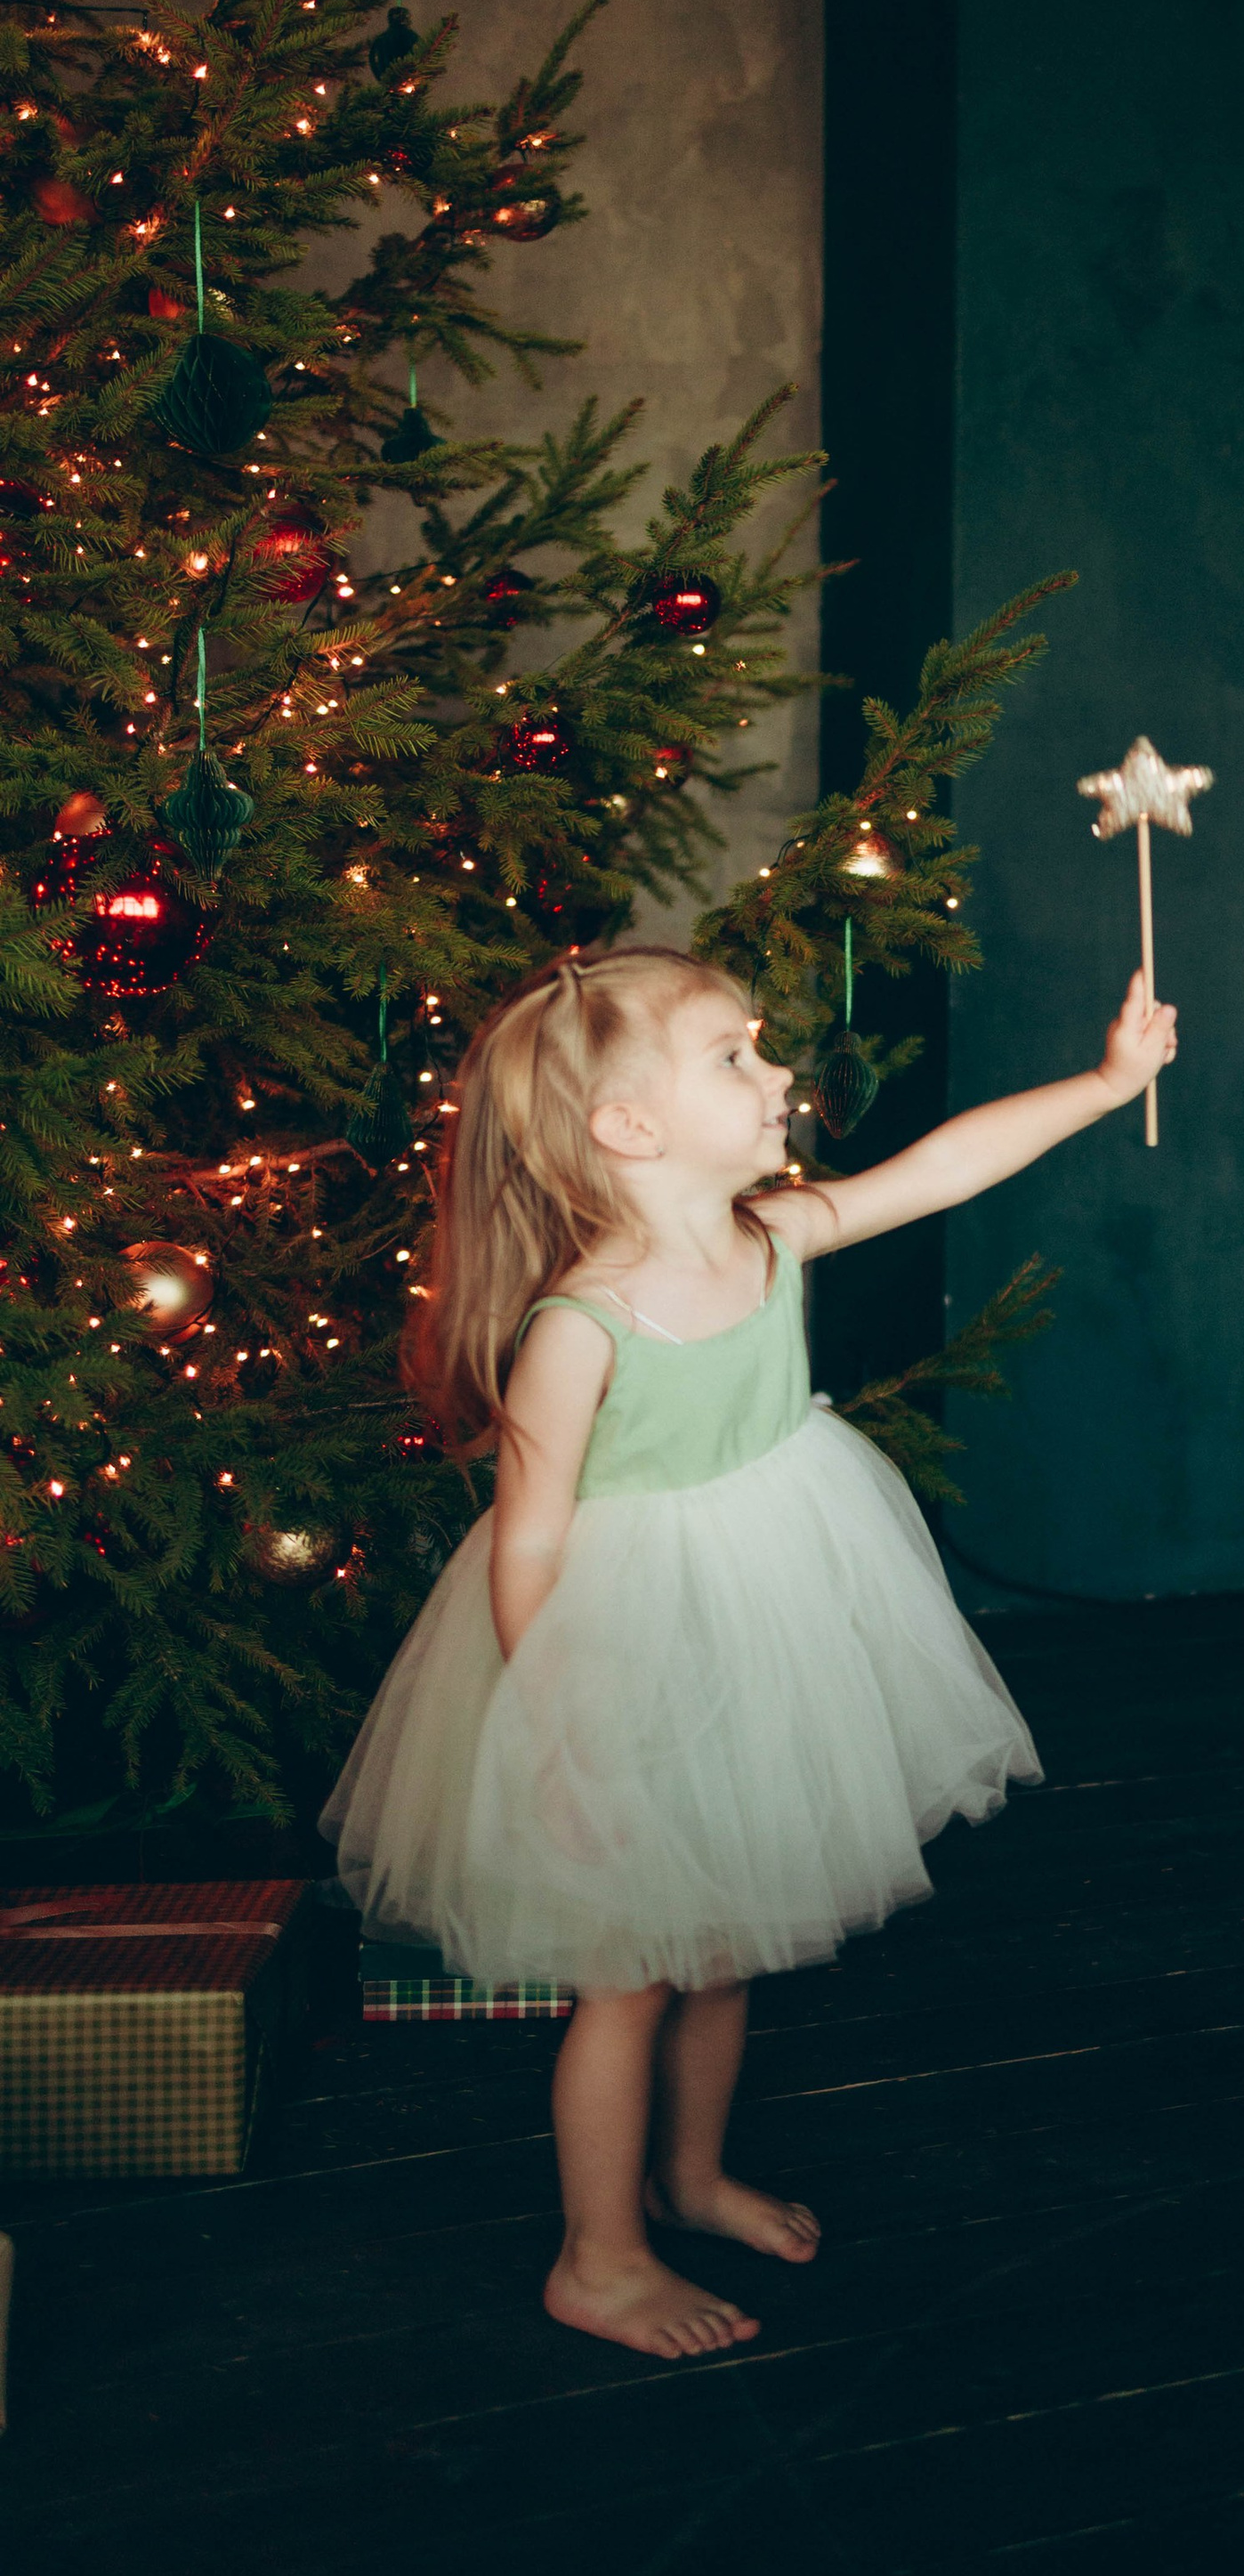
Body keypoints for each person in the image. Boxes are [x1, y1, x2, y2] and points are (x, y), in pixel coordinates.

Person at [326, 944, 1176, 2360]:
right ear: (627, 1128)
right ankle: (597, 2257)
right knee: (629, 1972)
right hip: (622, 1650)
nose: (779, 1072)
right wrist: (557, 1731)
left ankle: (693, 2173)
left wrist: (1105, 1082)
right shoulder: (580, 1328)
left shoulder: (769, 1237)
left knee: (727, 1930)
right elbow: (529, 1548)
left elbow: (941, 1171)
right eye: (735, 1055)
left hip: (767, 1603)